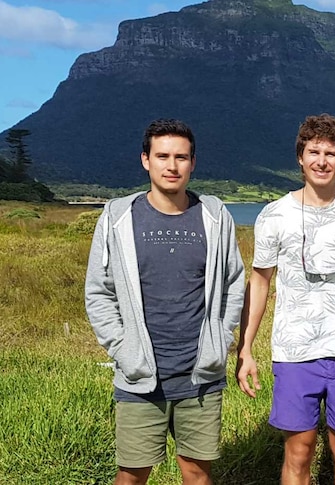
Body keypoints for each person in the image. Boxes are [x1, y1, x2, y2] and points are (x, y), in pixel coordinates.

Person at [84, 118, 246, 485]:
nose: (172, 166)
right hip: (139, 375)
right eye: (162, 156)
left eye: (181, 157)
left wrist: (221, 338)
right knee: (131, 474)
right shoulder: (117, 217)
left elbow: (234, 282)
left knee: (197, 473)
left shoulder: (215, 216)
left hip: (200, 374)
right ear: (145, 160)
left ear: (192, 163)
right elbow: (98, 290)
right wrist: (121, 348)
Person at [236, 114, 335, 485]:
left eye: (331, 153)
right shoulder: (274, 214)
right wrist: (246, 348)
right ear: (300, 157)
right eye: (313, 151)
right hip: (294, 351)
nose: (322, 160)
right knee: (298, 452)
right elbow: (260, 280)